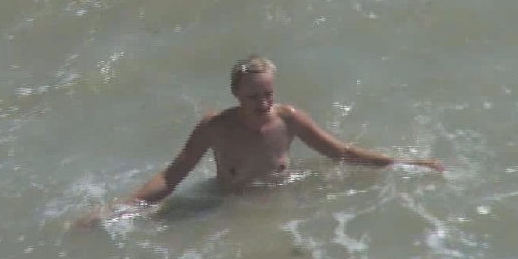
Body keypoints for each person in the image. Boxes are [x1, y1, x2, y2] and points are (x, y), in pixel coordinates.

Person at [75, 54, 445, 228]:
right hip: (227, 208)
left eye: (268, 94)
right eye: (254, 96)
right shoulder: (215, 127)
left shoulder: (289, 119)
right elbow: (171, 177)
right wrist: (118, 210)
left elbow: (342, 153)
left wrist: (406, 164)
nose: (264, 103)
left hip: (281, 208)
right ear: (236, 94)